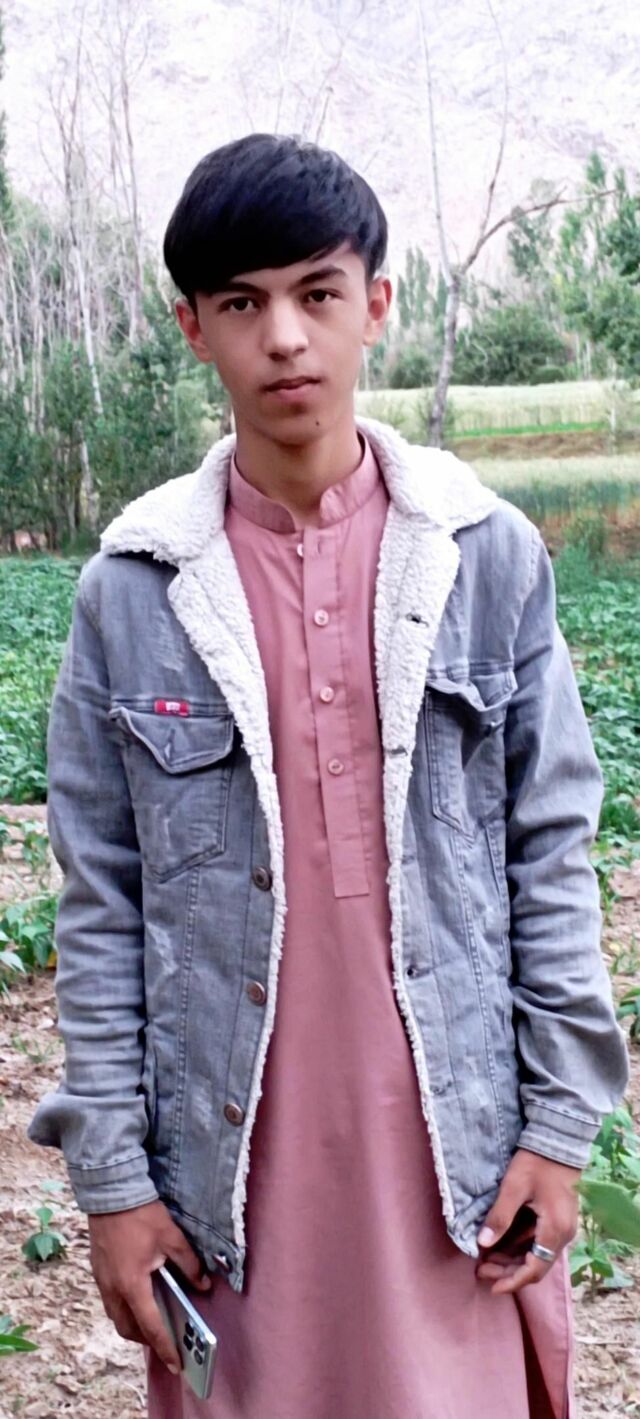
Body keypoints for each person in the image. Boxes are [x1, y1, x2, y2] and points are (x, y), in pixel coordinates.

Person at [28, 133, 629, 1419]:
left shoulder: (486, 559)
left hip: (453, 1149)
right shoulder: (131, 593)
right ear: (193, 328)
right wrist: (116, 1185)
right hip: (232, 1164)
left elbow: (549, 855)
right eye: (242, 304)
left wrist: (557, 1126)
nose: (286, 338)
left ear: (377, 305)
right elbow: (101, 907)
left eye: (317, 292)